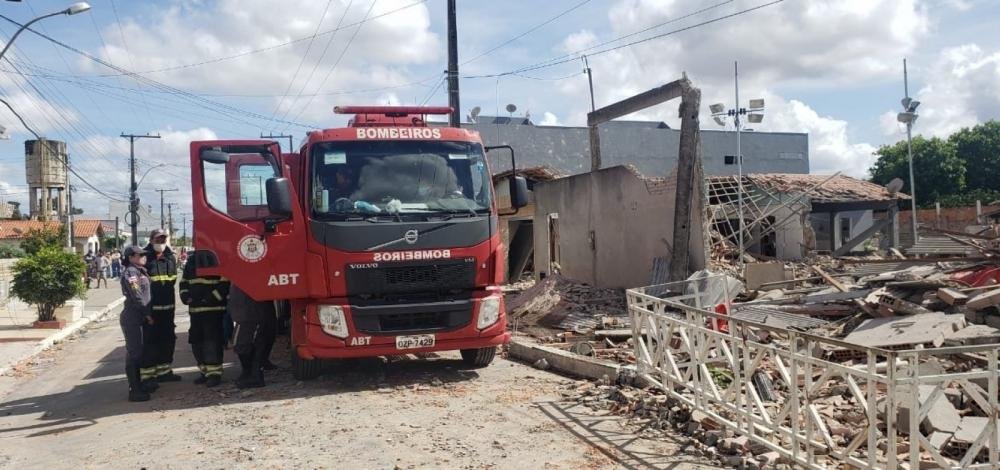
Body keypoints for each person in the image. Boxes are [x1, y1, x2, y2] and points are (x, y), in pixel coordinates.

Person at [179, 251, 230, 387]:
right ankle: (205, 372)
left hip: (213, 311)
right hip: (195, 312)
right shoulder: (191, 261)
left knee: (212, 342)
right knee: (196, 341)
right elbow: (183, 282)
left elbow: (225, 282)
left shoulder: (218, 256)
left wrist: (211, 299)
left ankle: (214, 374)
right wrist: (185, 296)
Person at [119, 245, 157, 402]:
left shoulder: (140, 271)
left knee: (139, 351)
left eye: (143, 254)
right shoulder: (131, 273)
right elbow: (137, 295)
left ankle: (139, 384)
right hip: (133, 316)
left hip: (138, 316)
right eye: (139, 255)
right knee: (134, 352)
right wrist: (147, 314)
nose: (144, 256)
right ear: (130, 257)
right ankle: (134, 390)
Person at [144, 229, 182, 382]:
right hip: (151, 309)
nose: (160, 243)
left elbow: (172, 281)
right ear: (151, 240)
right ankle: (149, 375)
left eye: (163, 240)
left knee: (168, 339)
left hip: (168, 308)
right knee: (151, 341)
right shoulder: (144, 257)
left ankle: (164, 372)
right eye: (158, 240)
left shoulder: (170, 258)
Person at [228, 284, 276, 388]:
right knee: (253, 343)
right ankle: (252, 374)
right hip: (248, 311)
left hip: (250, 312)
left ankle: (254, 375)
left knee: (242, 344)